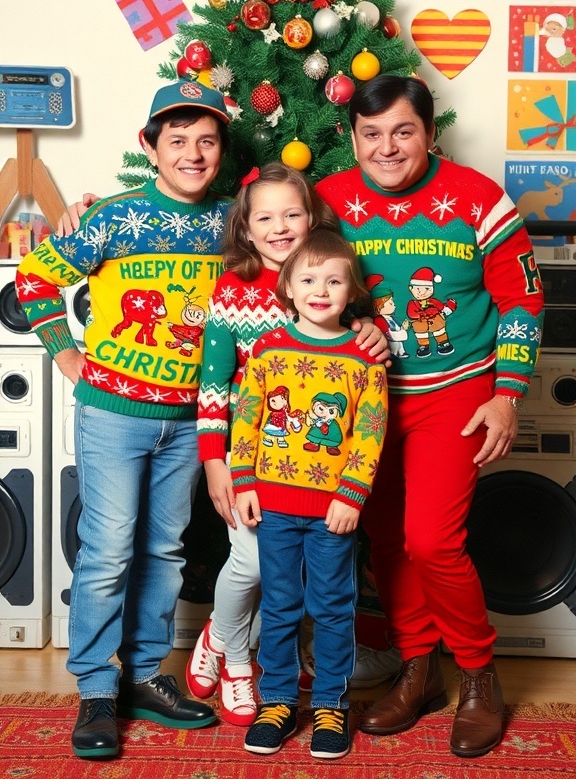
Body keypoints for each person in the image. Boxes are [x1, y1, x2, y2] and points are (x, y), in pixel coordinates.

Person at [315, 73, 545, 759]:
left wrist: (507, 393)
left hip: (456, 395)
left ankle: (478, 674)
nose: (387, 148)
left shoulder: (480, 199)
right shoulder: (326, 201)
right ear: (352, 138)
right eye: (372, 134)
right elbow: (262, 245)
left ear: (430, 133)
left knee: (432, 541)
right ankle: (419, 670)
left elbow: (522, 301)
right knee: (385, 541)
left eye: (403, 132)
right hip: (366, 399)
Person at [15, 78, 235, 759]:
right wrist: (65, 355)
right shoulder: (109, 218)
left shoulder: (233, 221)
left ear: (222, 150)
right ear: (150, 147)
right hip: (114, 414)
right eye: (177, 141)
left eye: (206, 140)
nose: (192, 154)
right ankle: (95, 688)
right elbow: (35, 277)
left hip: (189, 420)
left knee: (165, 549)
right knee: (109, 549)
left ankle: (143, 675)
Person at [186, 163, 398, 727]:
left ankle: (226, 637)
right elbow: (212, 383)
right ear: (247, 229)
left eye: (292, 214)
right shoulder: (233, 289)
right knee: (251, 563)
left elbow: (364, 362)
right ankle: (230, 649)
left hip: (320, 471)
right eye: (266, 217)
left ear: (313, 220)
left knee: (289, 577)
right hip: (250, 455)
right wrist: (215, 461)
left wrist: (373, 330)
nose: (280, 227)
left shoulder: (333, 281)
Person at [230, 228, 388, 759]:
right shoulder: (271, 348)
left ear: (352, 292)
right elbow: (248, 415)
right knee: (278, 604)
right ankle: (276, 699)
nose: (321, 290)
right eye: (309, 279)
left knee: (332, 606)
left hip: (331, 512)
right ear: (289, 288)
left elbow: (370, 432)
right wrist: (244, 480)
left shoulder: (365, 358)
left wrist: (351, 494)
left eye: (334, 280)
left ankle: (330, 705)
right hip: (272, 504)